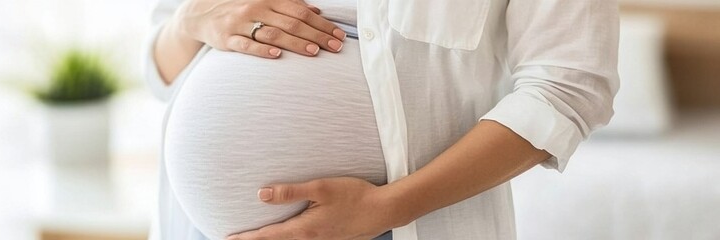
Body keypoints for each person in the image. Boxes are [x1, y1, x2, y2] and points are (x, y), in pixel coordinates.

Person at [144, 0, 620, 239]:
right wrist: (190, 18)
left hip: (398, 225)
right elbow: (158, 73)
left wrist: (386, 208)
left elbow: (569, 88)